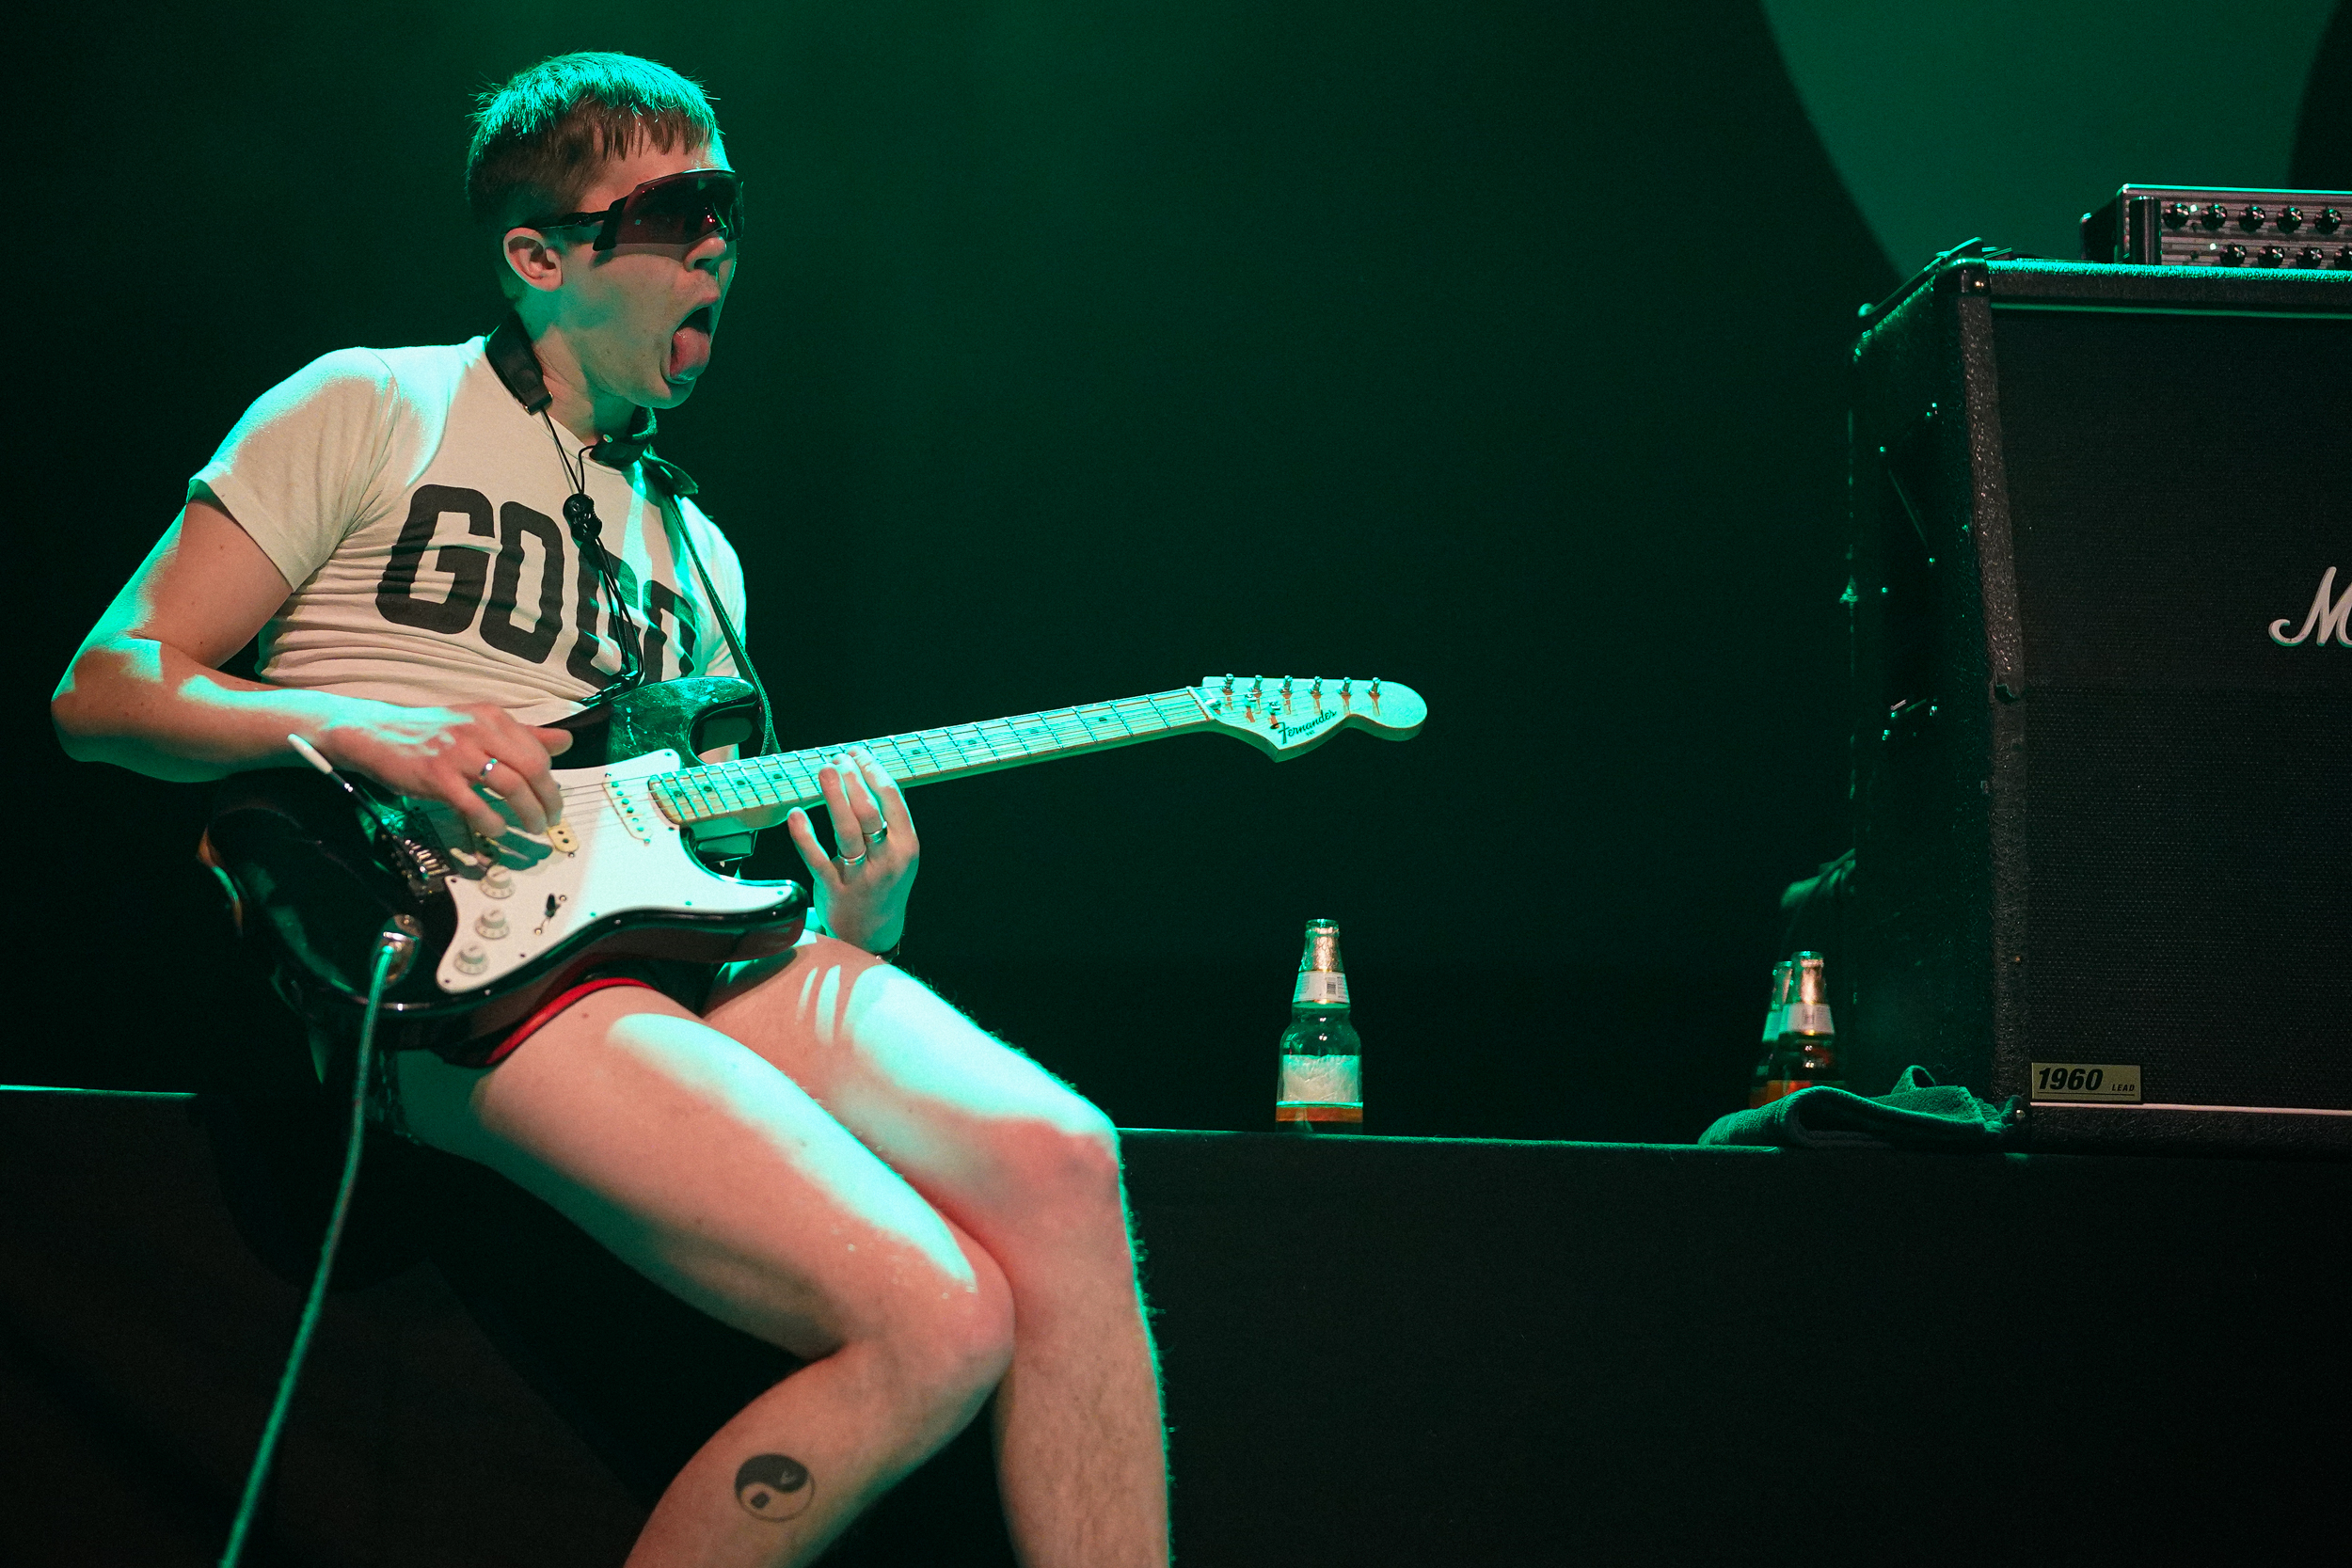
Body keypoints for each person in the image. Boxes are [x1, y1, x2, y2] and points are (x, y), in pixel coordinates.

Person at [50, 51, 1169, 1568]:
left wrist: (856, 922)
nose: (717, 246)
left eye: (730, 211)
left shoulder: (699, 549)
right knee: (935, 1318)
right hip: (449, 948)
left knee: (1064, 1159)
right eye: (674, 212)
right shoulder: (376, 400)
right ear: (540, 258)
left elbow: (688, 854)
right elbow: (105, 689)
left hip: (654, 948)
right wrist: (367, 725)